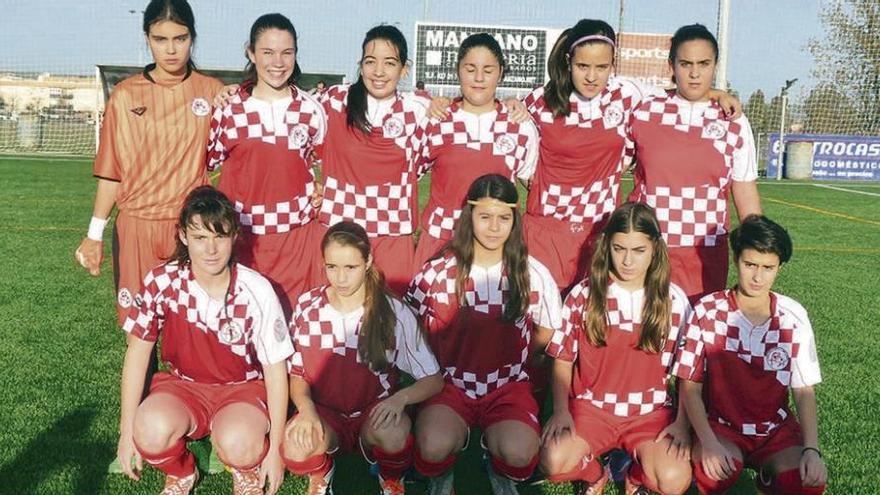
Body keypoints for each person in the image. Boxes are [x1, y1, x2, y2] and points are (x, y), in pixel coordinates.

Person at [522, 19, 740, 295]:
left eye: (601, 67)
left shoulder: (626, 94)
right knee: (542, 323)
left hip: (601, 232)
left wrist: (716, 94)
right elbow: (514, 148)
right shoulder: (538, 102)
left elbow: (682, 93)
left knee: (592, 320)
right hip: (547, 233)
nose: (592, 76)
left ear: (612, 65)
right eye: (582, 66)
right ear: (568, 61)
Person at [115, 186, 291, 495]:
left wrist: (276, 448)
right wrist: (125, 430)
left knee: (239, 443)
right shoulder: (161, 281)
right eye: (200, 238)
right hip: (183, 386)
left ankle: (245, 469)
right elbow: (138, 352)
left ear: (235, 236)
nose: (210, 250)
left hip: (241, 389)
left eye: (219, 237)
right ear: (183, 236)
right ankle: (182, 472)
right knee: (148, 430)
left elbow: (276, 371)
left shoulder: (257, 289)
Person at [406, 174, 562, 494]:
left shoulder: (532, 273)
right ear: (469, 217)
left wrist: (516, 360)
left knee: (519, 452)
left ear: (514, 221)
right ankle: (442, 474)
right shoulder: (437, 272)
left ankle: (497, 464)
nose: (494, 227)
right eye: (485, 217)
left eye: (504, 218)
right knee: (433, 446)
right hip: (450, 385)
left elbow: (546, 330)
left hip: (506, 387)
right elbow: (416, 332)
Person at [75, 0, 224, 325]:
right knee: (139, 330)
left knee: (192, 330)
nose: (171, 49)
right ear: (147, 39)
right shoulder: (126, 96)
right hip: (136, 228)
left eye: (180, 38)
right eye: (161, 39)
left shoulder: (213, 92)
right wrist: (94, 234)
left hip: (190, 228)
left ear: (192, 38)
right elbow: (112, 172)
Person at [540, 202, 692, 495]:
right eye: (619, 248)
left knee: (673, 480)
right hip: (592, 410)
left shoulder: (672, 300)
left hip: (650, 413)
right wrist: (560, 411)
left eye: (639, 251)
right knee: (553, 459)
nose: (627, 261)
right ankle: (595, 474)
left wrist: (683, 423)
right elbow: (562, 359)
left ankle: (635, 475)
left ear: (655, 250)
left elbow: (688, 372)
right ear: (607, 245)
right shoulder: (585, 295)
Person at [281, 221, 443, 495]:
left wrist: (399, 399)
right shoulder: (308, 306)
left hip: (373, 411)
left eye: (350, 268)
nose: (340, 278)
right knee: (295, 447)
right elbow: (298, 373)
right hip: (326, 413)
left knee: (395, 434)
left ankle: (390, 478)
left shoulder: (392, 311)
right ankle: (322, 474)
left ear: (368, 261)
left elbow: (434, 380)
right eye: (332, 267)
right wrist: (306, 410)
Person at [674, 215, 826, 495]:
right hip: (723, 427)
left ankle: (769, 477)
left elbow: (804, 389)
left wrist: (812, 450)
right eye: (750, 265)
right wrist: (707, 442)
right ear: (736, 260)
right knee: (714, 476)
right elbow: (689, 386)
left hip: (774, 430)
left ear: (779, 267)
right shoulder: (707, 311)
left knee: (808, 483)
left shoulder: (793, 316)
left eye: (768, 267)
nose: (757, 276)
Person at [629, 24, 761, 302]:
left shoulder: (732, 121)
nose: (694, 73)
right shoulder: (643, 108)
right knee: (646, 336)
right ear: (671, 65)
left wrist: (756, 248)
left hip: (705, 250)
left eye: (704, 63)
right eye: (685, 63)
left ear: (715, 65)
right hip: (647, 245)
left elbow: (744, 189)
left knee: (696, 337)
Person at [207, 13, 326, 317]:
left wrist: (323, 187)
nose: (278, 62)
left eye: (287, 52)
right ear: (251, 53)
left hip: (296, 240)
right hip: (244, 239)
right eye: (268, 52)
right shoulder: (228, 109)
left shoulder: (312, 110)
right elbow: (203, 168)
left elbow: (329, 167)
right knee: (243, 326)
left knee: (290, 327)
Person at [315, 25, 430, 296]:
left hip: (392, 239)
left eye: (389, 63)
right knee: (338, 327)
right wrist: (239, 90)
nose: (379, 72)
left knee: (390, 326)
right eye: (371, 62)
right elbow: (289, 126)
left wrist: (510, 106)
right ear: (361, 64)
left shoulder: (419, 111)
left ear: (404, 69)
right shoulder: (333, 101)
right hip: (340, 237)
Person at [414, 32, 538, 267]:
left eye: (488, 70)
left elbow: (534, 185)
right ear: (457, 70)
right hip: (441, 241)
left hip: (494, 245)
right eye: (470, 69)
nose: (479, 78)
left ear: (500, 72)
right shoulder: (436, 120)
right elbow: (404, 174)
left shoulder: (520, 126)